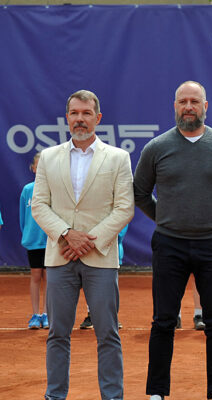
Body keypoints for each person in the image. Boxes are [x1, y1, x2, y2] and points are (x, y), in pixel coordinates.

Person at [134, 81, 212, 400]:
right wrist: (167, 217)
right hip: (169, 244)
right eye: (182, 101)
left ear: (205, 106)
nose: (188, 106)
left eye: (194, 101)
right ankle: (156, 393)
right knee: (163, 320)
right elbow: (140, 193)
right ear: (174, 106)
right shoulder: (156, 148)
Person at [31, 89, 134, 400]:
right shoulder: (48, 157)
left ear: (97, 118)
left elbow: (124, 207)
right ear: (67, 118)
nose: (80, 119)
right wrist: (66, 234)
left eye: (86, 113)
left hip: (100, 258)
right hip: (60, 256)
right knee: (57, 334)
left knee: (108, 335)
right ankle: (55, 395)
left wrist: (90, 240)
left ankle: (112, 396)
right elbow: (39, 205)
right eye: (74, 113)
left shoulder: (118, 158)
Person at [21, 152, 49, 329]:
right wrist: (28, 235)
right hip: (33, 242)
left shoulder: (53, 189)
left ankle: (46, 314)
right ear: (33, 168)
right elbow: (22, 217)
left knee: (49, 278)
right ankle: (35, 314)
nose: (41, 170)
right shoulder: (27, 190)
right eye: (38, 167)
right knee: (36, 276)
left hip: (50, 241)